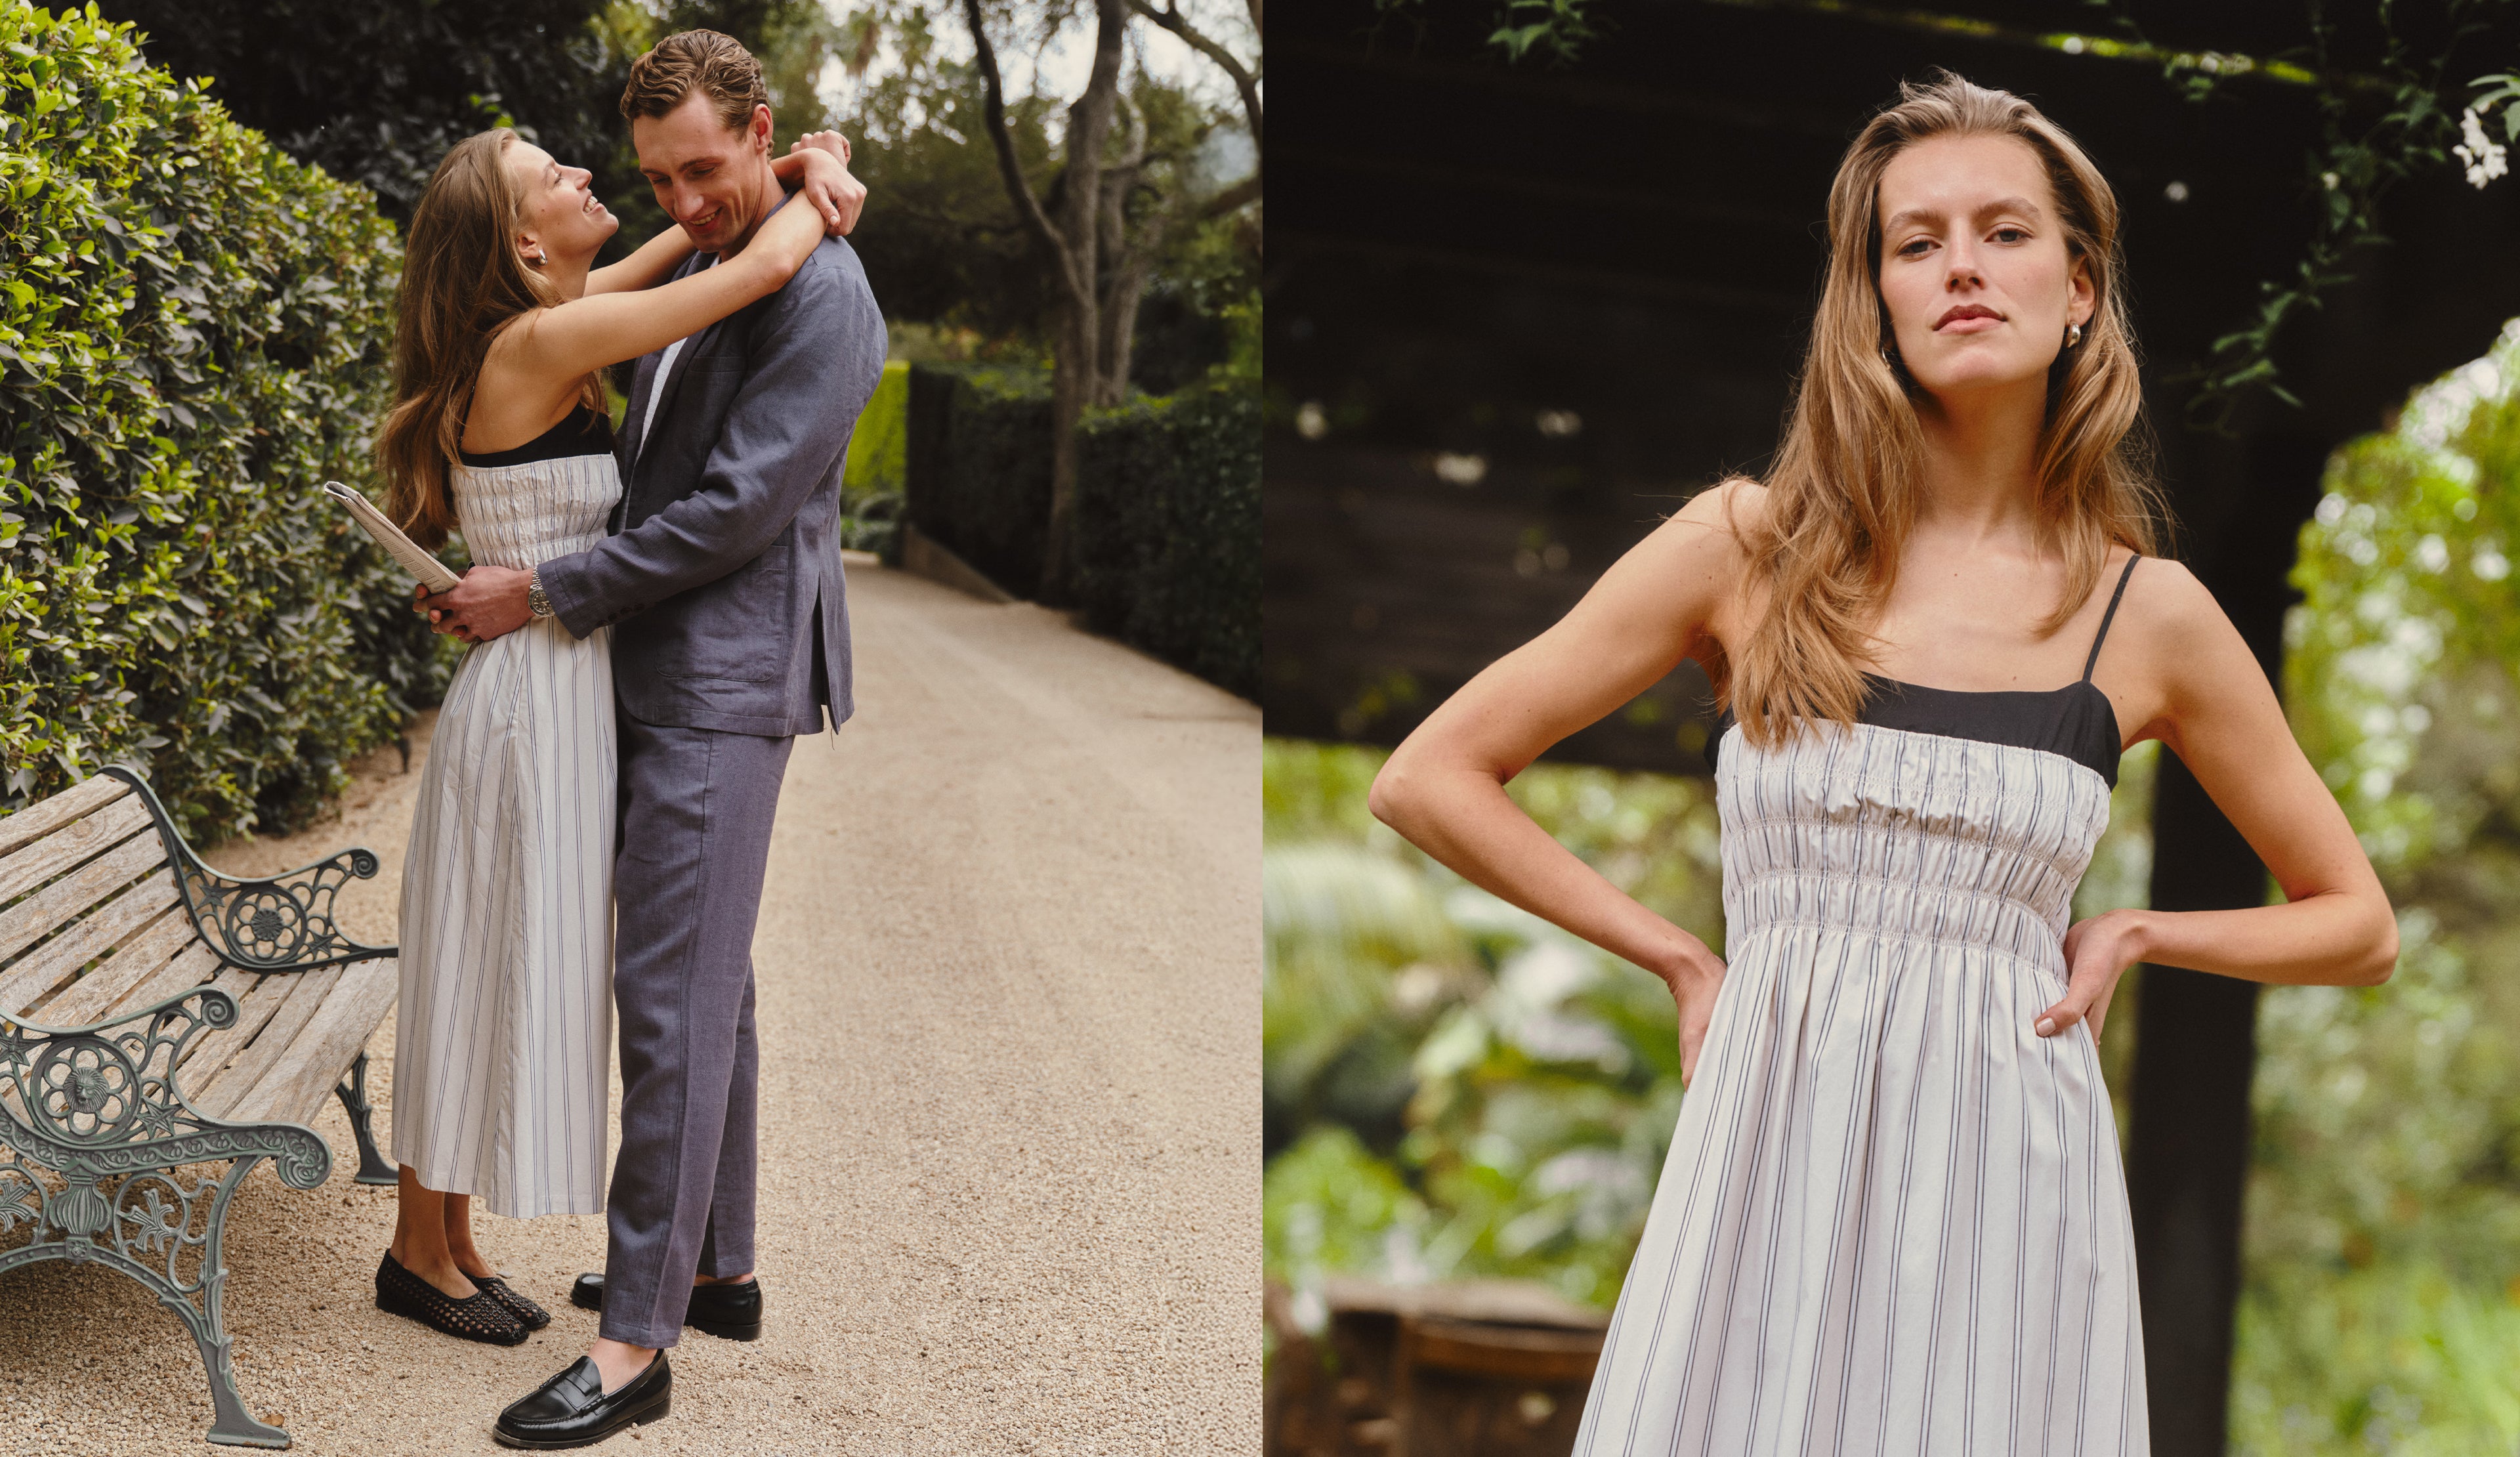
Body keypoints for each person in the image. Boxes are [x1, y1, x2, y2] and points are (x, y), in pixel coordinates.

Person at [1366, 72, 2399, 1454]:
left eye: (2005, 232)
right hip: (1766, 1145)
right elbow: (1431, 775)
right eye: (1917, 243)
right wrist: (1683, 960)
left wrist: (2139, 931)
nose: (1962, 266)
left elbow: (2359, 923)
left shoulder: (2145, 617)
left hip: (2009, 1180)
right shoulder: (1751, 545)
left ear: (2080, 287)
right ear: (1877, 298)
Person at [417, 29, 889, 1450]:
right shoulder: (701, 260)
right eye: (657, 177)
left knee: (668, 1007)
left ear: (763, 133)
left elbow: (735, 513)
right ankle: (719, 1267)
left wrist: (549, 589)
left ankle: (635, 1344)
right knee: (712, 988)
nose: (684, 199)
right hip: (655, 672)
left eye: (704, 167)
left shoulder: (827, 300)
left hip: (719, 684)